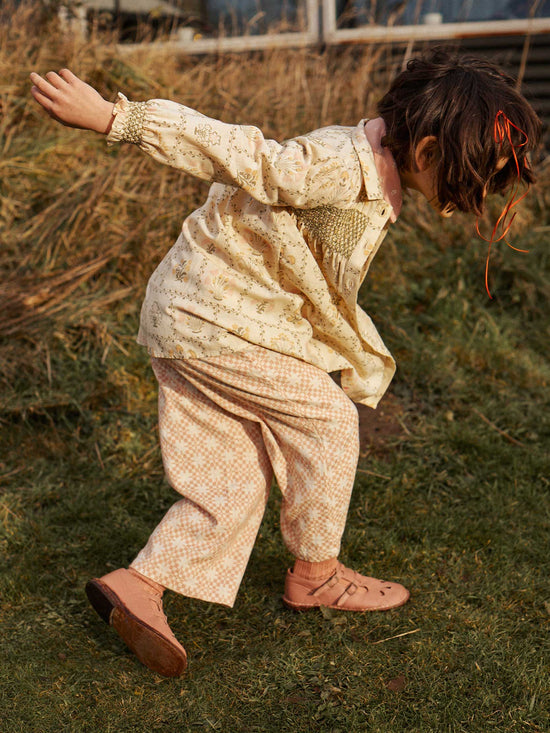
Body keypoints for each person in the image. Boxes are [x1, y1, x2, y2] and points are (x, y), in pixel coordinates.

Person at [29, 48, 541, 677]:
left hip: (204, 318)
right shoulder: (335, 164)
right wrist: (119, 120)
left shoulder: (375, 165)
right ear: (429, 152)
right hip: (211, 320)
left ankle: (139, 586)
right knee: (327, 421)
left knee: (237, 476)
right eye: (473, 179)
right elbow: (241, 152)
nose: (477, 196)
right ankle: (317, 575)